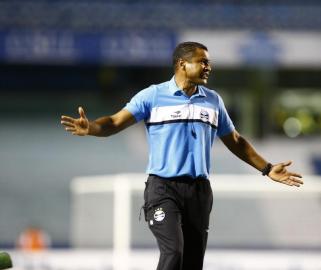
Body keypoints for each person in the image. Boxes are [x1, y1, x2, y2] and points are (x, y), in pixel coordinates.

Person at [61, 41, 303, 270]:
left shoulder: (213, 101)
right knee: (173, 251)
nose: (208, 66)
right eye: (202, 61)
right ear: (181, 64)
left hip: (199, 192)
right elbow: (114, 122)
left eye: (209, 62)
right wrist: (91, 127)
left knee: (191, 263)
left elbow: (236, 141)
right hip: (163, 189)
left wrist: (267, 168)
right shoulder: (152, 96)